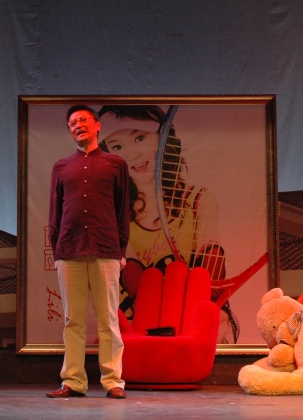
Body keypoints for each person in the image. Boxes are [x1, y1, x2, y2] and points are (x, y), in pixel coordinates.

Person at [97, 105, 239, 344]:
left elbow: (211, 267)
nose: (132, 155)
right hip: (139, 332)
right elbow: (135, 282)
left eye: (139, 138)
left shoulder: (200, 201)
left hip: (191, 327)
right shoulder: (112, 212)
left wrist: (206, 310)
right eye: (117, 147)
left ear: (162, 139)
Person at [46, 105, 130, 399]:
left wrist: (121, 249)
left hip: (106, 249)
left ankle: (113, 381)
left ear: (97, 125)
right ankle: (73, 381)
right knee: (73, 320)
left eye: (83, 120)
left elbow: (123, 210)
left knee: (109, 319)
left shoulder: (115, 164)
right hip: (69, 250)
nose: (78, 125)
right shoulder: (61, 167)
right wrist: (56, 252)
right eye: (72, 123)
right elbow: (55, 213)